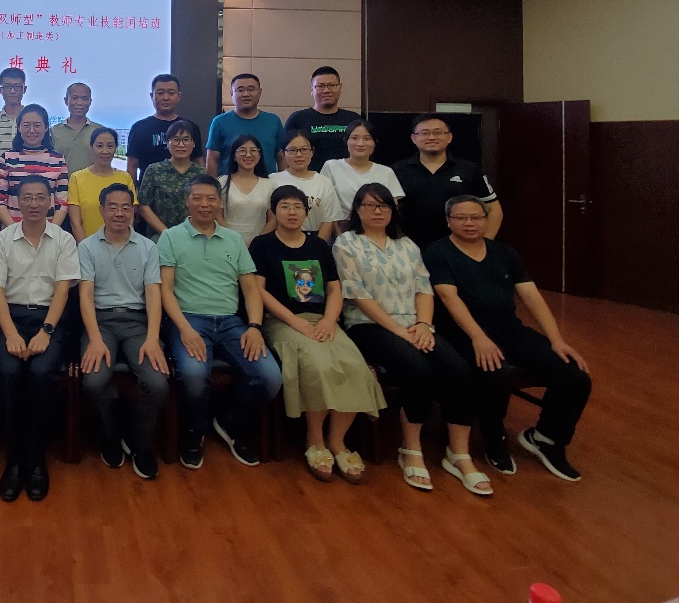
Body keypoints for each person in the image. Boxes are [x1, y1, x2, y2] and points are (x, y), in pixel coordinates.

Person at [333, 184, 490, 495]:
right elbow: (358, 295)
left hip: (415, 324)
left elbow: (424, 289)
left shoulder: (407, 245)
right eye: (369, 205)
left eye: (384, 205)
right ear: (357, 210)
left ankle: (458, 454)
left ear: (393, 211)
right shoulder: (346, 243)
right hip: (368, 325)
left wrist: (423, 325)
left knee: (459, 370)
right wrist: (398, 330)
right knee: (418, 370)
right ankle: (411, 449)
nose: (377, 211)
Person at [427, 195, 591, 481]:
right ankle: (494, 439)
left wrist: (556, 339)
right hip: (461, 332)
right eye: (460, 217)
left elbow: (531, 296)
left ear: (486, 220)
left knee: (574, 374)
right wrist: (478, 337)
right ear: (448, 221)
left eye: (476, 217)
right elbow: (448, 297)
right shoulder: (437, 252)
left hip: (508, 328)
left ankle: (546, 438)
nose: (469, 223)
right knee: (495, 371)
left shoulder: (504, 253)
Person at [251, 185, 386, 484]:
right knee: (318, 364)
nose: (291, 212)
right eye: (284, 206)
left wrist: (329, 320)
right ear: (274, 212)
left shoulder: (319, 246)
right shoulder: (262, 245)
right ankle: (315, 439)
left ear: (306, 212)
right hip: (281, 322)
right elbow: (258, 291)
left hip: (323, 320)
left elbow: (334, 289)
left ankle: (337, 441)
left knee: (355, 365)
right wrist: (294, 322)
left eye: (297, 207)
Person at [158, 175, 283, 469]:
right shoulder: (170, 237)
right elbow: (165, 290)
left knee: (270, 377)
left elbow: (250, 289)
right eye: (197, 198)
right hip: (188, 320)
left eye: (211, 198)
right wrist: (184, 329)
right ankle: (194, 433)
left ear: (220, 203)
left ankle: (230, 423)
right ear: (187, 201)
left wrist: (254, 326)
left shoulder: (234, 239)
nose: (204, 204)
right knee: (193, 375)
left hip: (230, 323)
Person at [0, 176, 80, 501]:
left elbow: (63, 290)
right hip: (9, 319)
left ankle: (36, 458)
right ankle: (13, 459)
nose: (34, 203)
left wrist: (46, 332)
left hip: (49, 320)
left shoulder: (64, 240)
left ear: (51, 201)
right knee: (8, 372)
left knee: (40, 373)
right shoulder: (2, 239)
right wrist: (10, 334)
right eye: (27, 197)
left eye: (41, 197)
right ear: (17, 202)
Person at [77, 183, 169, 480]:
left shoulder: (148, 247)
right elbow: (85, 295)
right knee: (94, 381)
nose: (119, 213)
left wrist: (153, 338)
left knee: (157, 382)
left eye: (126, 207)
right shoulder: (86, 247)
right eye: (113, 207)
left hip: (138, 324)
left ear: (134, 212)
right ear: (101, 210)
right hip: (101, 322)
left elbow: (153, 295)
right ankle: (110, 434)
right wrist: (93, 338)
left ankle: (139, 442)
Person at [394, 114, 503, 248]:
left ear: (450, 137)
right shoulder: (397, 170)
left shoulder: (469, 169)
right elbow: (387, 210)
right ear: (413, 138)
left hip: (460, 248)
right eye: (424, 133)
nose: (432, 137)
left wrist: (484, 244)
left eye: (438, 132)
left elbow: (493, 209)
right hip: (411, 248)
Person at [321, 118, 405, 236]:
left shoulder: (386, 172)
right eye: (354, 138)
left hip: (378, 232)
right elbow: (327, 207)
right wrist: (340, 236)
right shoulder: (332, 166)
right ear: (346, 141)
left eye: (367, 138)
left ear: (375, 142)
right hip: (341, 230)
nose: (360, 143)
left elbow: (392, 208)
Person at [0, 104, 69, 227]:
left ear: (46, 127)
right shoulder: (6, 159)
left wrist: (52, 231)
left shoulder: (58, 160)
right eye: (26, 125)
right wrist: (13, 230)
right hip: (11, 231)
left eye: (37, 125)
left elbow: (62, 202)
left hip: (48, 231)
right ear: (18, 128)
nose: (31, 130)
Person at [268, 129, 346, 240]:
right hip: (280, 239)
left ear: (312, 152)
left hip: (315, 240)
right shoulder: (272, 180)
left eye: (304, 149)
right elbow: (271, 219)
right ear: (284, 153)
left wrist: (317, 246)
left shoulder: (324, 182)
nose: (299, 155)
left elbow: (328, 221)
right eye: (292, 150)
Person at [125, 74, 203, 184]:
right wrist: (131, 192)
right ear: (152, 96)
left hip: (186, 190)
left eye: (171, 93)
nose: (166, 98)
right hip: (149, 190)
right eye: (160, 93)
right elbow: (132, 166)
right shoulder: (139, 128)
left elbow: (198, 162)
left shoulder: (190, 127)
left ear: (179, 96)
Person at [282, 66, 361, 170]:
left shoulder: (354, 119)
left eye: (332, 85)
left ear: (340, 87)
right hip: (308, 177)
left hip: (346, 177)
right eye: (320, 86)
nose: (326, 90)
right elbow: (285, 155)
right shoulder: (297, 119)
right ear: (312, 90)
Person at [137, 119, 204, 238]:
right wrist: (167, 233)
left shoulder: (201, 173)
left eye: (186, 139)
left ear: (193, 143)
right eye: (176, 139)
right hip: (160, 236)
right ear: (167, 143)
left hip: (194, 236)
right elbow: (143, 206)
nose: (181, 145)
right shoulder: (154, 170)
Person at [206, 73, 282, 177]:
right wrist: (213, 185)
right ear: (231, 93)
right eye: (240, 90)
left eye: (251, 89)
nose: (246, 94)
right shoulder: (219, 122)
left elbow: (281, 157)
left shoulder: (273, 121)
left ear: (260, 92)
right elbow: (212, 159)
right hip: (228, 184)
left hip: (268, 183)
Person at [67, 127, 136, 241]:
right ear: (91, 147)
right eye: (99, 146)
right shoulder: (77, 178)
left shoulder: (125, 178)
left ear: (115, 148)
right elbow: (75, 223)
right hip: (87, 245)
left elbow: (130, 218)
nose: (105, 151)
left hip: (120, 245)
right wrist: (85, 248)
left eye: (110, 146)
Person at [217, 135, 276, 246]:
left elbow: (272, 220)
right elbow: (217, 216)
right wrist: (235, 241)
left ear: (259, 155)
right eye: (242, 150)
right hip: (227, 243)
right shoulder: (222, 182)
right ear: (234, 156)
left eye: (253, 150)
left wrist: (256, 243)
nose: (248, 155)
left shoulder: (270, 185)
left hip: (259, 246)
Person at [51, 82, 104, 173]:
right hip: (61, 182)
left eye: (84, 98)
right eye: (75, 98)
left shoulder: (100, 131)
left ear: (90, 102)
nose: (79, 103)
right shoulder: (54, 132)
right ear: (66, 100)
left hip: (92, 182)